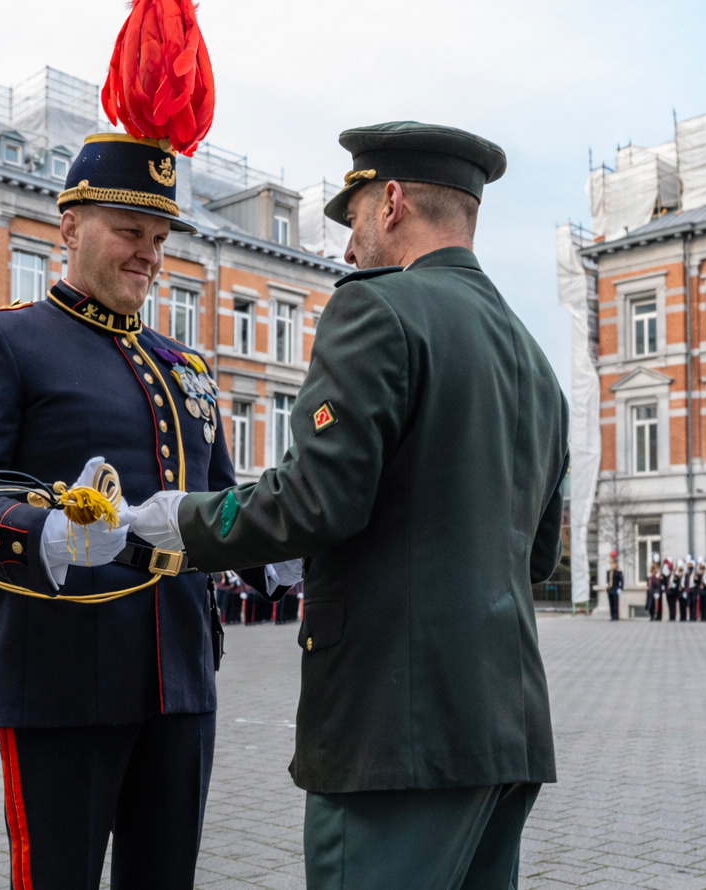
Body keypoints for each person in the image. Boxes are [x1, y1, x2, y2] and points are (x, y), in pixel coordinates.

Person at [131, 121, 567, 890]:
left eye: (354, 217)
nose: (346, 249)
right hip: (505, 730)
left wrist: (181, 521)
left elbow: (316, 501)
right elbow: (536, 557)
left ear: (391, 201)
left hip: (393, 736)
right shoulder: (532, 359)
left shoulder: (378, 310)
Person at [0, 114, 247, 887]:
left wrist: (281, 552)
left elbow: (222, 503)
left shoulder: (184, 366)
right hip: (60, 673)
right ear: (67, 228)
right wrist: (48, 534)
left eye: (160, 238)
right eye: (130, 229)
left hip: (182, 675)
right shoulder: (4, 342)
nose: (150, 254)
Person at [605, 553, 623, 621]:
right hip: (610, 589)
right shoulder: (609, 572)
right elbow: (607, 581)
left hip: (616, 589)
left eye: (613, 564)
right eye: (611, 564)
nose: (612, 565)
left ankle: (616, 616)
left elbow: (622, 580)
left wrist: (621, 588)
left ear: (615, 565)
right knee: (611, 603)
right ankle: (612, 616)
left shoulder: (618, 572)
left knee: (615, 603)